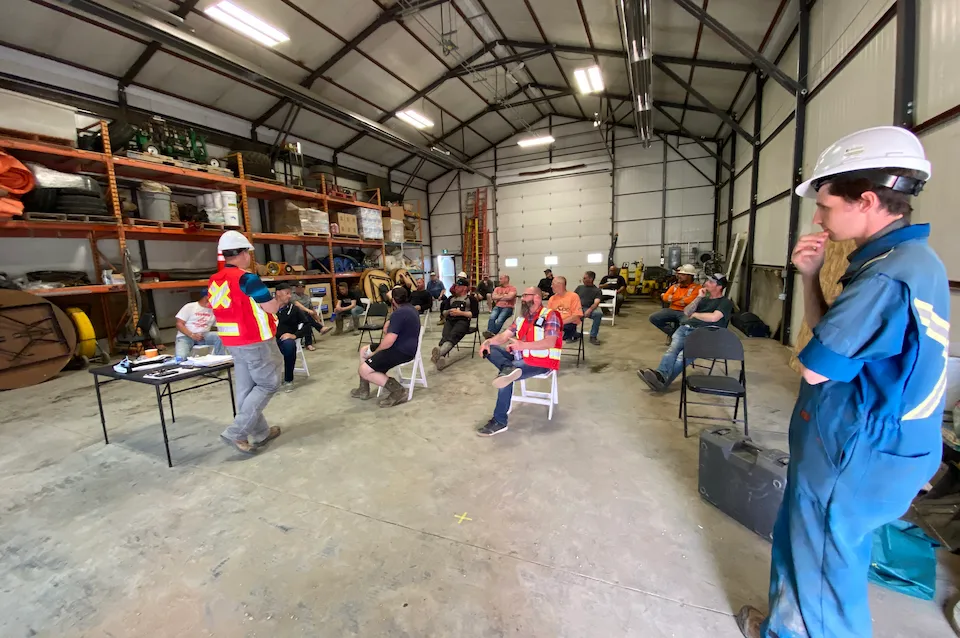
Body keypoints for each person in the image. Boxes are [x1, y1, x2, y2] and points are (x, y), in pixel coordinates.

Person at [735, 127, 948, 638]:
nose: (818, 216)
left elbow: (817, 364)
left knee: (827, 573)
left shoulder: (885, 278)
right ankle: (783, 629)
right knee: (806, 547)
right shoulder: (902, 263)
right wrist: (810, 277)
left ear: (868, 200)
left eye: (825, 205)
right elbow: (832, 337)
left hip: (855, 451)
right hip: (860, 444)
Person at [207, 230, 283, 455]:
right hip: (254, 339)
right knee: (268, 384)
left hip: (231, 341)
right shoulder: (247, 278)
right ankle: (236, 432)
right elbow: (270, 308)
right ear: (242, 254)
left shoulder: (214, 280)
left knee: (246, 389)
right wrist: (277, 299)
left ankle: (260, 433)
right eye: (248, 252)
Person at [476, 287, 562, 436]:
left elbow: (550, 342)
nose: (522, 299)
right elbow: (504, 336)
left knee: (505, 378)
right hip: (521, 357)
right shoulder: (522, 318)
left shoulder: (550, 316)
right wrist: (488, 342)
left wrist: (523, 345)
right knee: (490, 350)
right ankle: (508, 368)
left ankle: (500, 421)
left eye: (525, 296)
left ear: (536, 297)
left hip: (542, 361)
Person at [636, 273, 732, 392]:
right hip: (685, 328)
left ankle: (661, 381)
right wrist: (698, 297)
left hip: (704, 335)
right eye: (707, 281)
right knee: (672, 351)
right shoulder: (703, 299)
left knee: (682, 357)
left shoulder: (725, 302)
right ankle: (660, 376)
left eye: (711, 282)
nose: (706, 283)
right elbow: (687, 312)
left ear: (719, 287)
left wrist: (696, 314)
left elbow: (714, 317)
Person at [351, 286, 421, 407]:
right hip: (405, 347)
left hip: (400, 350)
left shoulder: (399, 313)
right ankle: (363, 389)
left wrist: (375, 353)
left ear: (393, 300)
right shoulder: (410, 308)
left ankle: (398, 390)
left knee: (363, 370)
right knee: (364, 350)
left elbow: (388, 341)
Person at [431, 276, 479, 371]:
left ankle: (439, 353)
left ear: (465, 288)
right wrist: (449, 311)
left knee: (453, 335)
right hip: (450, 320)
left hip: (463, 321)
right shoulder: (451, 299)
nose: (456, 288)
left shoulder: (471, 299)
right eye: (456, 286)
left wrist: (461, 313)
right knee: (445, 336)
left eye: (458, 286)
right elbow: (443, 313)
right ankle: (440, 357)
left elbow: (474, 314)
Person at [273, 283, 311, 392]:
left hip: (284, 340)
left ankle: (288, 379)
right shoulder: (268, 307)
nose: (290, 296)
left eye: (290, 293)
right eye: (287, 293)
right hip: (269, 339)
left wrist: (294, 335)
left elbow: (307, 324)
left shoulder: (293, 309)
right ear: (278, 293)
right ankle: (265, 381)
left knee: (289, 345)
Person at [649, 264, 701, 339]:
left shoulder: (697, 288)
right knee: (653, 318)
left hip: (685, 312)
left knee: (686, 323)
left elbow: (688, 301)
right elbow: (665, 297)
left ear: (690, 276)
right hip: (672, 309)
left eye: (682, 275)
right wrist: (681, 298)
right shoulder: (675, 286)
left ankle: (682, 338)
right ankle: (673, 334)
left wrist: (673, 299)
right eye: (679, 274)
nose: (679, 276)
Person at [174, 294, 226, 359]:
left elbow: (220, 326)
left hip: (203, 335)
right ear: (206, 298)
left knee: (219, 336)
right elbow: (179, 324)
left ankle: (220, 360)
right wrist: (192, 335)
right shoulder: (190, 306)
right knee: (181, 357)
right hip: (185, 336)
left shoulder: (214, 310)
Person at [291, 281, 332, 350]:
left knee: (307, 322)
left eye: (302, 287)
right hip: (294, 317)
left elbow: (312, 309)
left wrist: (318, 321)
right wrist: (308, 310)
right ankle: (320, 329)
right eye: (298, 287)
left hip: (305, 317)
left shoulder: (307, 297)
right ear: (295, 288)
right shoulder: (292, 296)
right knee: (304, 315)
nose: (300, 288)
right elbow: (297, 304)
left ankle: (309, 344)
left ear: (304, 288)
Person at [546, 276, 583, 342]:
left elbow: (576, 316)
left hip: (568, 324)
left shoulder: (573, 296)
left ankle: (571, 335)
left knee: (554, 334)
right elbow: (548, 314)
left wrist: (559, 323)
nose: (551, 286)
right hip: (556, 324)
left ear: (560, 285)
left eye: (553, 284)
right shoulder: (552, 298)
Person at [483, 274, 517, 338]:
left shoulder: (512, 288)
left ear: (506, 279)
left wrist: (498, 297)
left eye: (501, 279)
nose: (499, 280)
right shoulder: (497, 288)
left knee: (500, 319)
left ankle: (491, 333)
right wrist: (504, 296)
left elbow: (510, 297)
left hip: (508, 307)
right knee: (492, 318)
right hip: (497, 306)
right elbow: (493, 297)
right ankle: (491, 333)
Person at [574, 271, 603, 346]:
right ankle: (572, 333)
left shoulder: (597, 290)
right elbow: (573, 298)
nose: (582, 279)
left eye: (584, 278)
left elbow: (596, 303)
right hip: (579, 307)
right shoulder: (579, 288)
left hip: (589, 308)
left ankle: (593, 336)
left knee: (598, 314)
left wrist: (589, 310)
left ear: (590, 279)